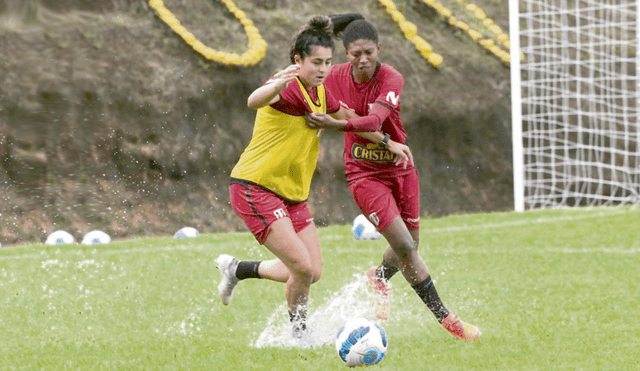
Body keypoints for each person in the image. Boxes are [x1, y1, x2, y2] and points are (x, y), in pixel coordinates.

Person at [215, 15, 411, 338]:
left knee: (312, 271)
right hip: (255, 187)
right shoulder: (287, 86)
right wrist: (276, 83)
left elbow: (349, 117)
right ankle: (299, 336)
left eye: (328, 62)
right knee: (302, 269)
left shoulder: (320, 93)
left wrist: (390, 142)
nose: (323, 69)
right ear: (297, 60)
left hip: (292, 195)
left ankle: (237, 269)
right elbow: (254, 100)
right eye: (316, 62)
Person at [305, 13, 481, 341]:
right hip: (364, 175)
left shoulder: (391, 79)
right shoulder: (333, 76)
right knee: (403, 244)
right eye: (356, 53)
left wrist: (337, 125)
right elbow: (304, 65)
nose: (363, 59)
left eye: (369, 52)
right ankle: (447, 319)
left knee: (411, 244)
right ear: (345, 54)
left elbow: (372, 121)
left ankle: (380, 277)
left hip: (401, 169)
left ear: (379, 49)